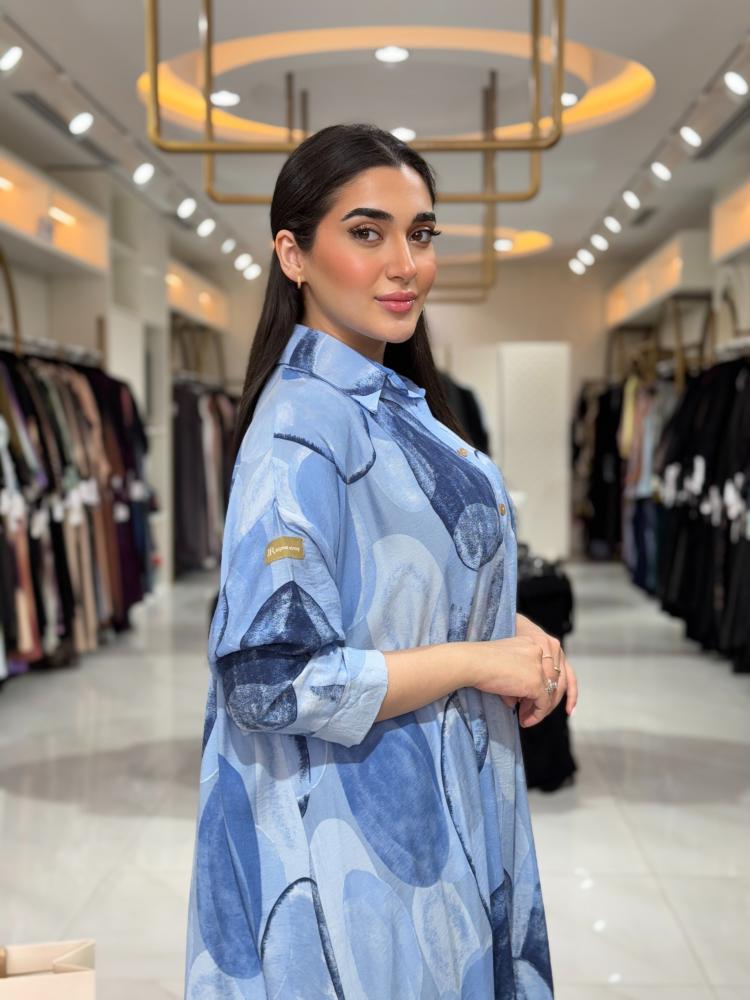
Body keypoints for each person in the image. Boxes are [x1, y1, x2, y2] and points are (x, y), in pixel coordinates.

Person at [184, 122, 578, 999]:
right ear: (293, 254)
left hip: (422, 803)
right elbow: (270, 678)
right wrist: (476, 660)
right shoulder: (301, 430)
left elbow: (386, 577)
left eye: (421, 233)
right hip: (356, 840)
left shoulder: (384, 401)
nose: (406, 264)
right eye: (367, 233)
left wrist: (508, 629)